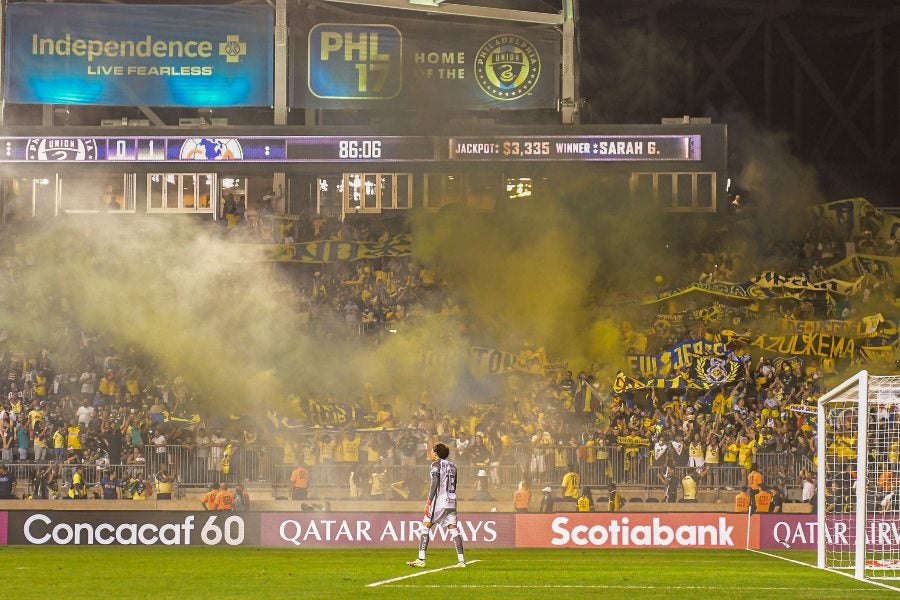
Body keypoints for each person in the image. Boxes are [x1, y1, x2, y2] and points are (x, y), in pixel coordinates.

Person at [406, 442, 465, 569]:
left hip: (439, 501)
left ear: (437, 453)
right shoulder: (453, 466)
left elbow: (435, 483)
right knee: (454, 529)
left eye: (432, 451)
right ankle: (461, 561)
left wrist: (428, 502)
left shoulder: (435, 465)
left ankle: (421, 559)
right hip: (452, 501)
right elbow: (455, 484)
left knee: (425, 527)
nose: (431, 453)